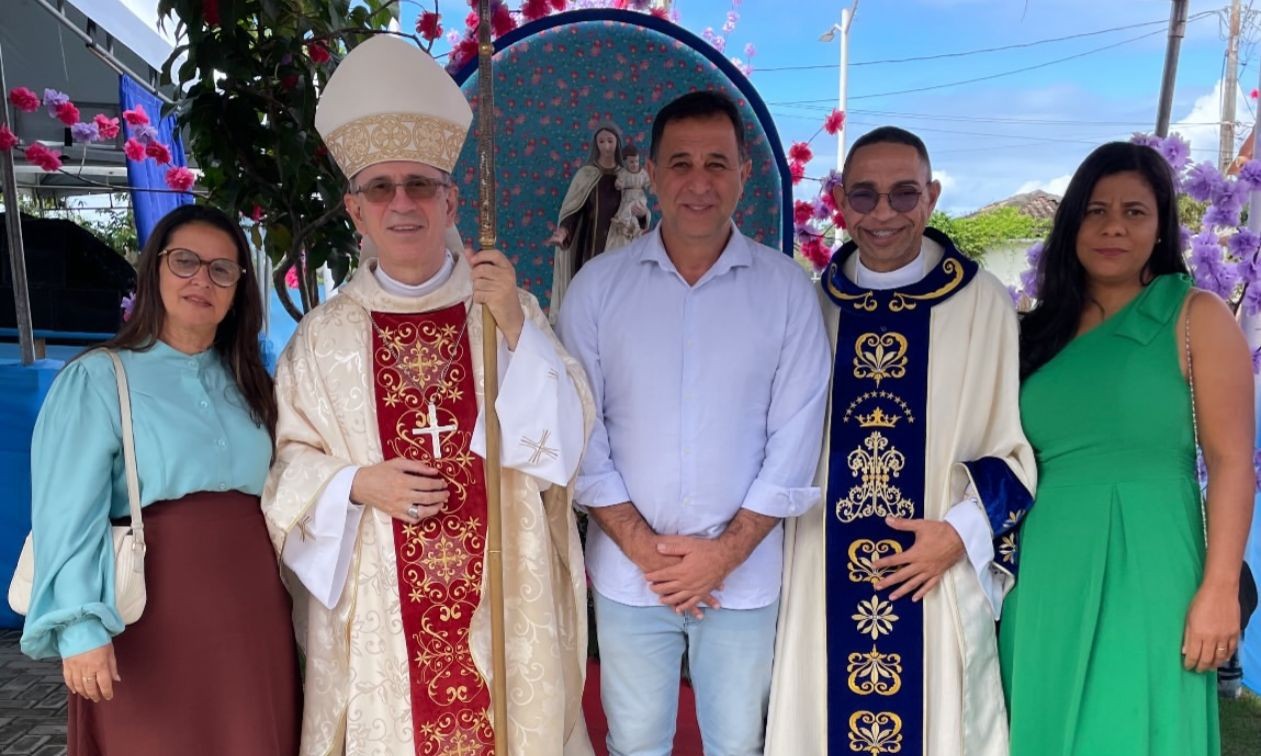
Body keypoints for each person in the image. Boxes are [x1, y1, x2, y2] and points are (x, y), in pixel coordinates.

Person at [264, 35, 595, 756]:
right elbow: (287, 468)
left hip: (500, 581)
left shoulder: (506, 308)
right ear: (356, 211)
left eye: (420, 185)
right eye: (380, 188)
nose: (401, 203)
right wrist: (355, 482)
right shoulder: (323, 339)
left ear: (451, 201)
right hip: (383, 592)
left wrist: (513, 328)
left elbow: (568, 443)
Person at [558, 90, 832, 756]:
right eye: (680, 163)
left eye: (717, 162)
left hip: (741, 579)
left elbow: (795, 441)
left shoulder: (785, 291)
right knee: (635, 742)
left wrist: (722, 556)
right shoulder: (597, 286)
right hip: (629, 574)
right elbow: (580, 428)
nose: (698, 182)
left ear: (744, 171)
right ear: (649, 172)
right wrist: (646, 550)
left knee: (738, 745)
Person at [765, 126, 1037, 756]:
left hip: (932, 570)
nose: (883, 213)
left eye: (903, 194)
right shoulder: (814, 306)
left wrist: (958, 535)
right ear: (839, 202)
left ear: (932, 196)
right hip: (821, 569)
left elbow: (1013, 455)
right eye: (863, 196)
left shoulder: (981, 304)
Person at [999, 141, 1255, 755]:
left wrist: (1219, 588)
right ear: (1072, 224)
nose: (1114, 226)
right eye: (1095, 210)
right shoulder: (1035, 331)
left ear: (1162, 223)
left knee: (1137, 724)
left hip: (1153, 563)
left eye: (1135, 212)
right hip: (1045, 569)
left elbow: (1230, 464)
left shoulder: (1195, 315)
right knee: (1044, 725)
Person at [20, 204, 300, 755]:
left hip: (255, 611)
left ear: (240, 287)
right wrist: (80, 632)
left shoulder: (252, 383)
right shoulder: (99, 378)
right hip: (150, 611)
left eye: (223, 269)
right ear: (153, 270)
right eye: (186, 262)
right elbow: (66, 516)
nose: (203, 279)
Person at [547, 124, 648, 312]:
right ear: (596, 144)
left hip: (619, 243)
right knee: (591, 292)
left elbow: (639, 208)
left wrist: (642, 215)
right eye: (601, 141)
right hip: (590, 245)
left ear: (617, 143)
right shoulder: (586, 175)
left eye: (610, 141)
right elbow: (573, 210)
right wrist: (563, 231)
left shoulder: (626, 176)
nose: (606, 146)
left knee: (617, 293)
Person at [607, 144, 651, 251]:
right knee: (630, 212)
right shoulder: (623, 173)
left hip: (639, 196)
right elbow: (619, 182)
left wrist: (651, 187)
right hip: (627, 196)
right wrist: (619, 184)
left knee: (633, 207)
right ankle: (630, 227)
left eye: (636, 161)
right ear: (626, 162)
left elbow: (648, 183)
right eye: (631, 162)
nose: (634, 164)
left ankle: (625, 223)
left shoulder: (643, 173)